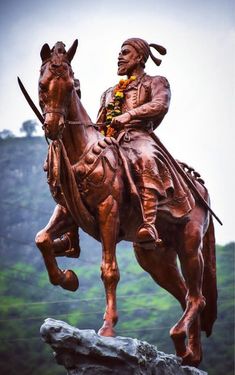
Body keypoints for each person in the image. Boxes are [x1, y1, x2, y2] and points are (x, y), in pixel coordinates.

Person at [97, 37, 194, 246]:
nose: (119, 57)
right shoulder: (108, 93)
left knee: (147, 157)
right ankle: (71, 233)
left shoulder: (155, 81)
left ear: (140, 57)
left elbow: (160, 104)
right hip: (112, 142)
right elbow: (99, 125)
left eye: (125, 52)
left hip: (140, 137)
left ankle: (148, 223)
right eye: (119, 53)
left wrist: (129, 116)